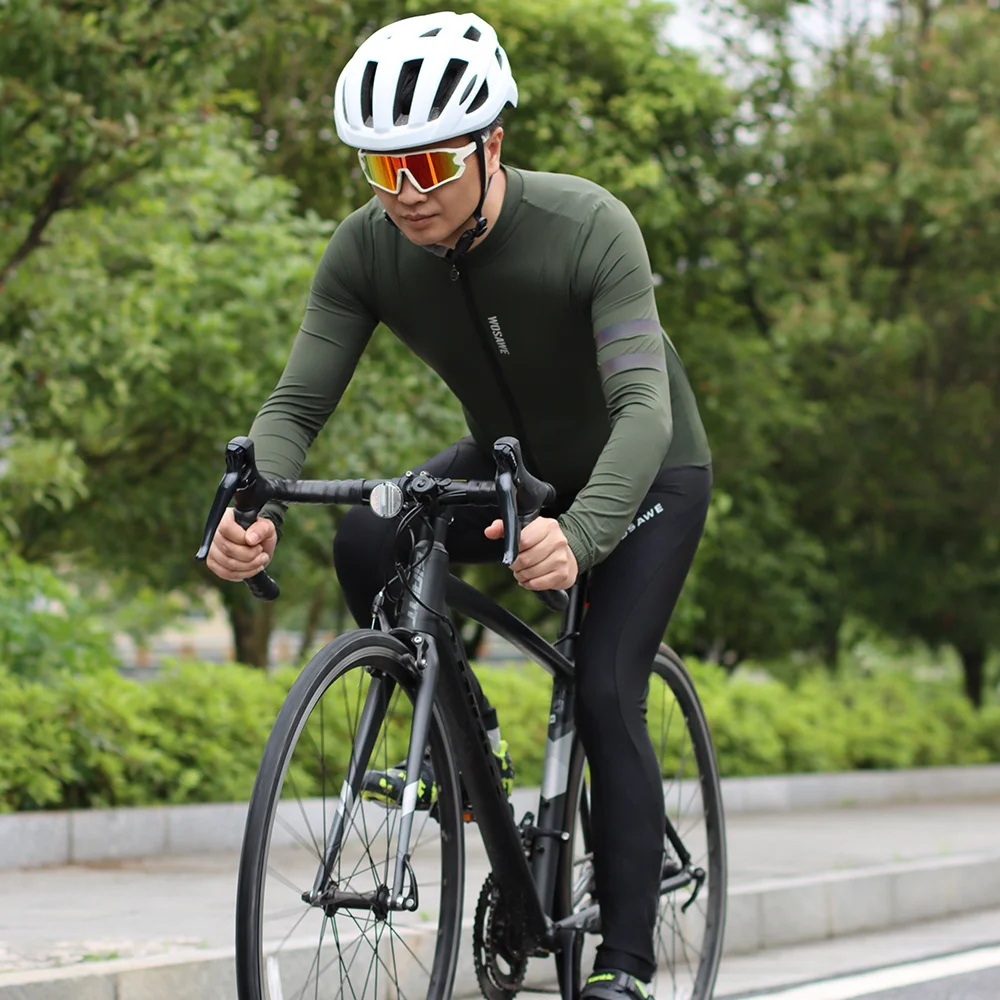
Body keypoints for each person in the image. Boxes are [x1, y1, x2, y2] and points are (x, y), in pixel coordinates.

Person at [206, 10, 712, 999]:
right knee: (368, 540)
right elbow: (295, 405)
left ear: (492, 144)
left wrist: (584, 533)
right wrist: (249, 502)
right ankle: (459, 729)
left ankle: (625, 968)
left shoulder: (588, 226)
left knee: (606, 690)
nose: (406, 194)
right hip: (513, 468)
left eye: (431, 165)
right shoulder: (365, 250)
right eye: (383, 169)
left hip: (647, 473)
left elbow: (643, 411)